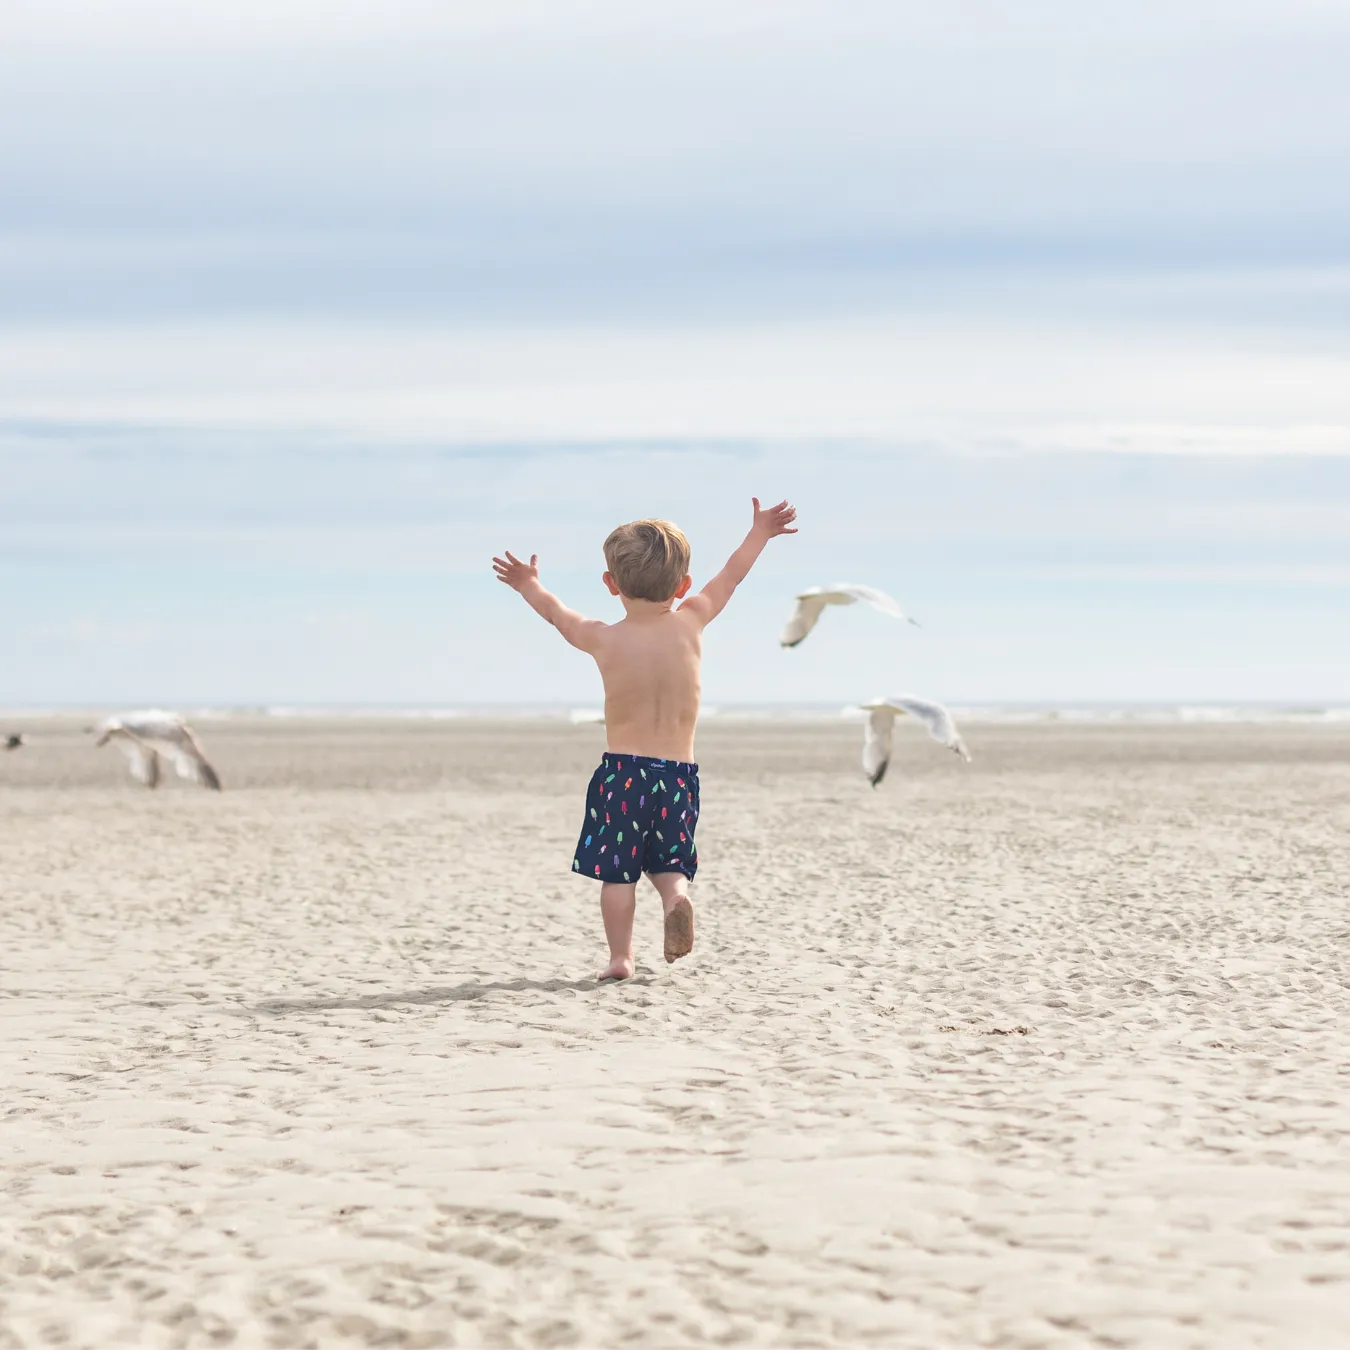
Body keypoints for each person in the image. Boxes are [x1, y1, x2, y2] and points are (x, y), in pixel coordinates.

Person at [493, 497, 798, 979]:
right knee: (668, 861)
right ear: (683, 585)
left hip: (623, 776)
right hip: (678, 776)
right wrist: (760, 531)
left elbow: (557, 615)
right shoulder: (693, 619)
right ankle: (676, 896)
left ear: (611, 585)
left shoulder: (602, 637)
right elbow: (732, 575)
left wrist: (528, 584)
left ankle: (621, 958)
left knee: (617, 874)